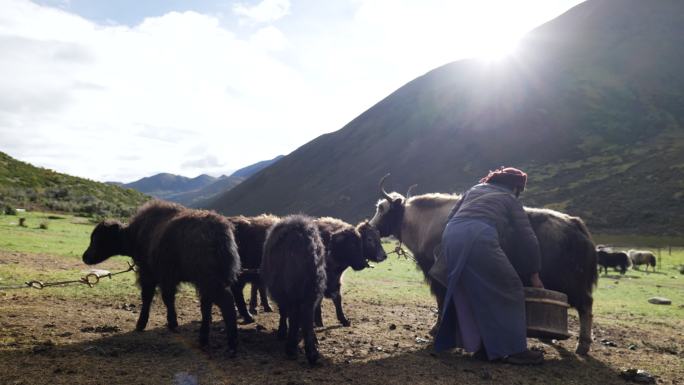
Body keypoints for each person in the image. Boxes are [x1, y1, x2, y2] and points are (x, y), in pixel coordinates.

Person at [432, 167, 545, 365]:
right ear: (515, 186)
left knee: (469, 290)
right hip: (478, 235)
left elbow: (450, 218)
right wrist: (534, 274)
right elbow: (527, 237)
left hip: (451, 235)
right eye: (519, 189)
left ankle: (481, 346)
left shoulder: (474, 189)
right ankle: (514, 350)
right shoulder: (509, 198)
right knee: (510, 288)